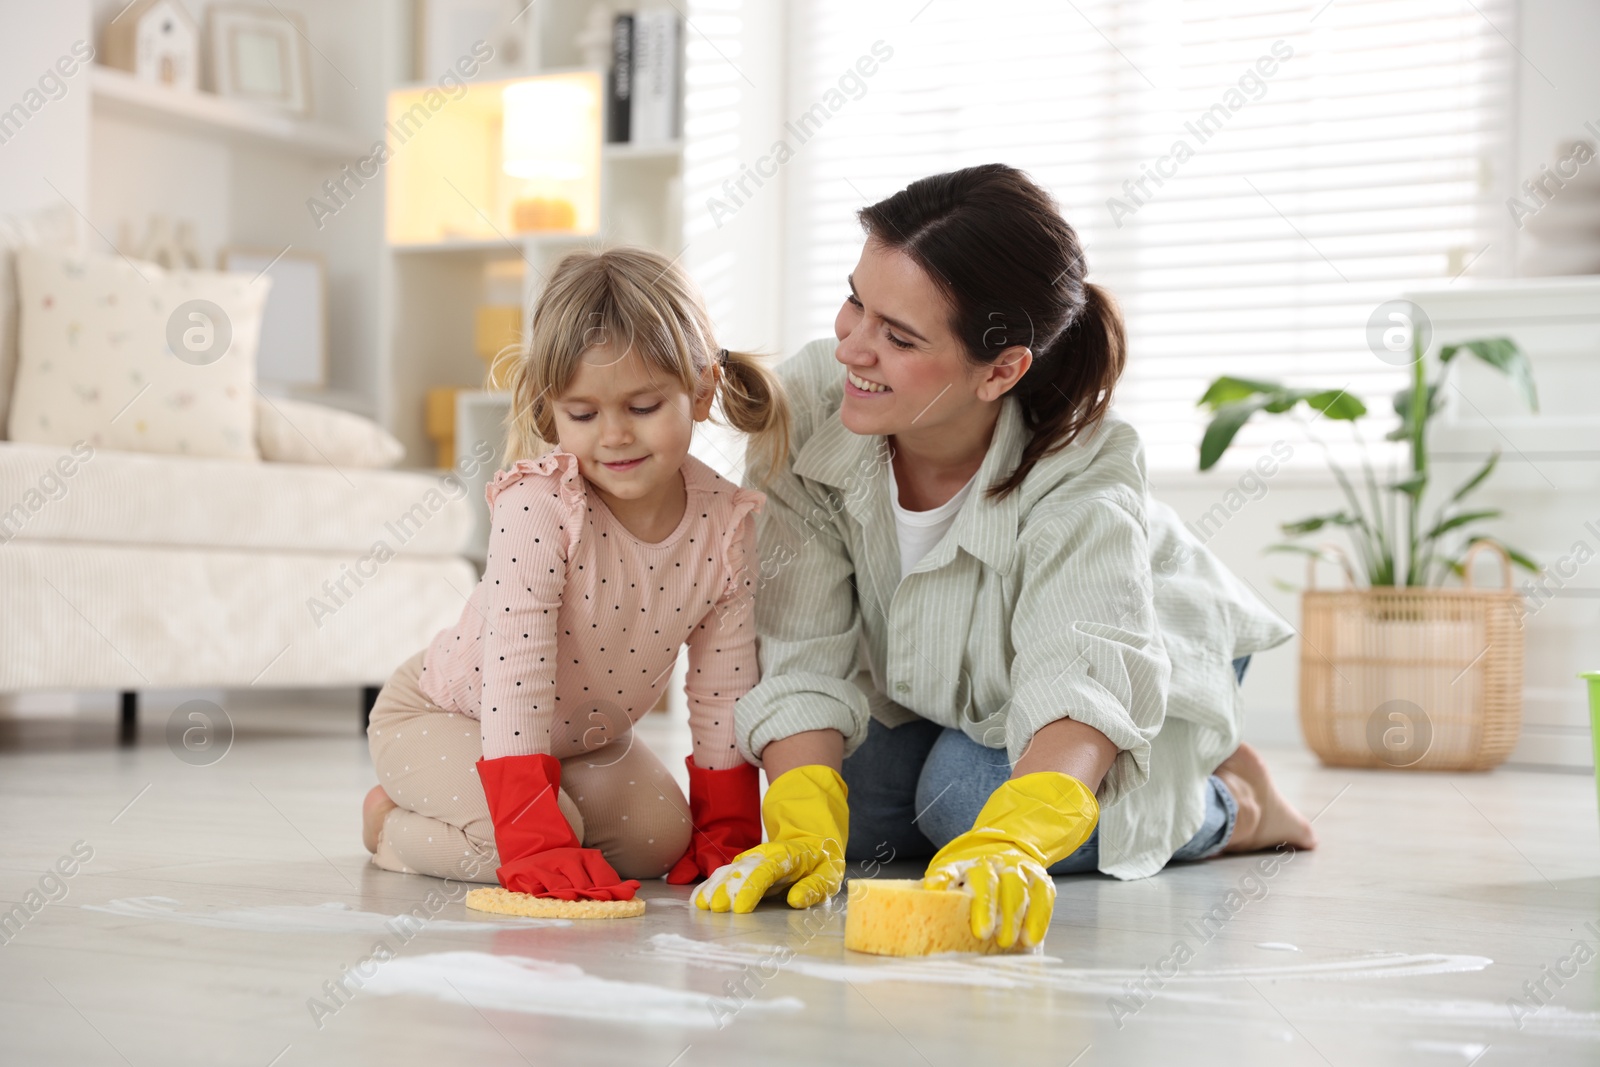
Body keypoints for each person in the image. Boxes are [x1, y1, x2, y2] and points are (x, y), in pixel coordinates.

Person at [694, 164, 1317, 947]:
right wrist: (799, 826)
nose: (851, 345)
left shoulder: (1083, 467)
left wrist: (1013, 836)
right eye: (856, 299)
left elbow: (1080, 673)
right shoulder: (814, 404)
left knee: (963, 802)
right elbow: (803, 646)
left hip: (1135, 650)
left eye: (899, 335)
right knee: (853, 813)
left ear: (1000, 370)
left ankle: (1235, 802)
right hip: (958, 677)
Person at [361, 247, 791, 900]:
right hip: (447, 715)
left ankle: (535, 807)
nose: (613, 435)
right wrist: (533, 833)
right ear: (553, 407)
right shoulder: (539, 505)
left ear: (701, 390)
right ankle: (390, 825)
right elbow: (516, 668)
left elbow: (722, 685)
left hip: (583, 743)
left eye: (643, 406)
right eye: (584, 415)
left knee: (660, 839)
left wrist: (727, 829)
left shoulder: (725, 522)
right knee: (514, 841)